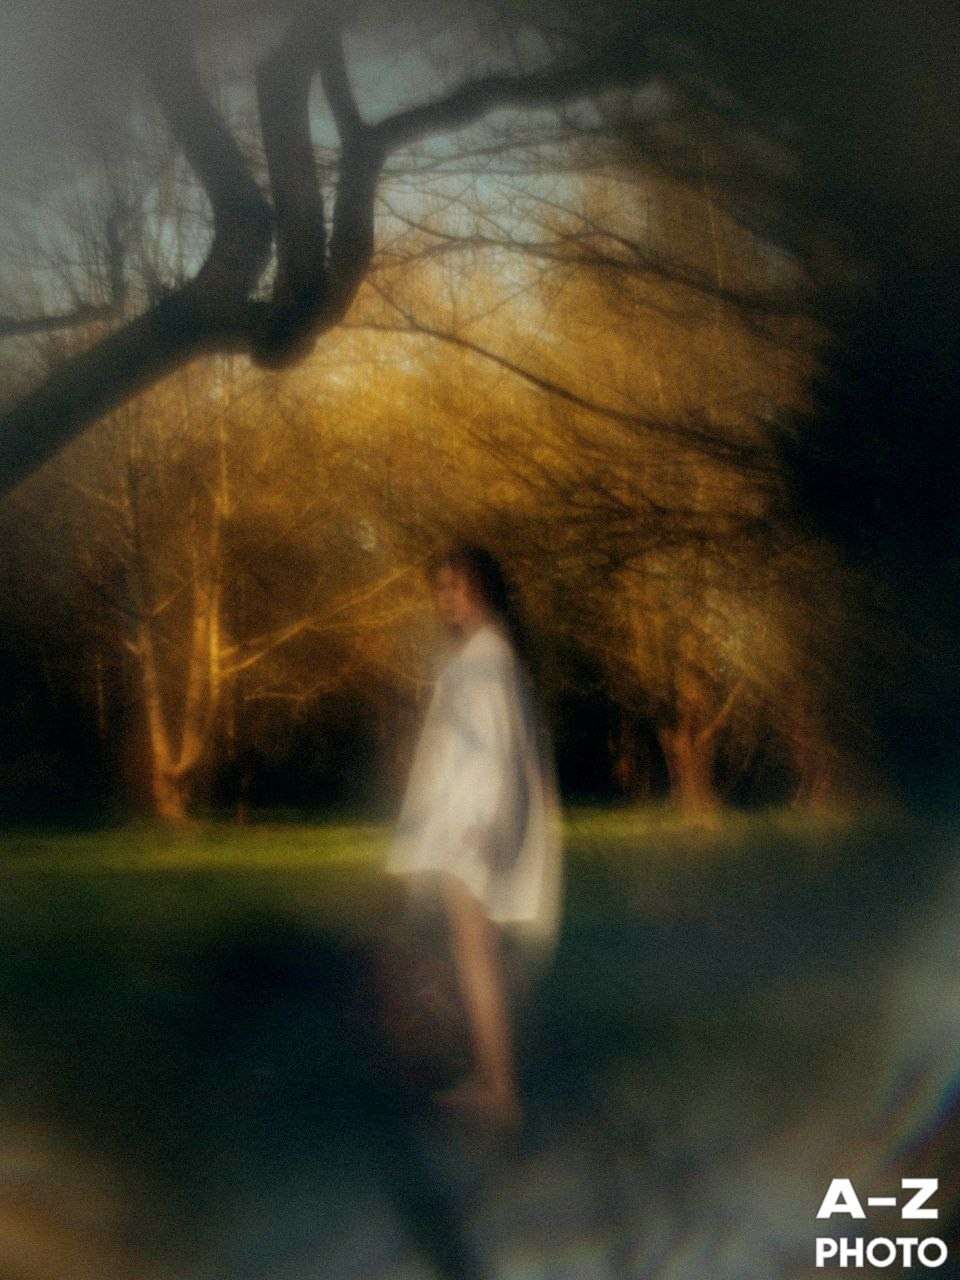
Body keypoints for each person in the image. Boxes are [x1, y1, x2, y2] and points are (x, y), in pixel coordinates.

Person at [387, 544, 562, 1126]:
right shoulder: (481, 655)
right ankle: (493, 1080)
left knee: (477, 958)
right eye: (441, 588)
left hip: (470, 831)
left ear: (482, 588)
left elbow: (495, 752)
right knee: (474, 957)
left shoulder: (488, 658)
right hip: (464, 825)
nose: (448, 599)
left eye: (457, 586)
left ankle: (499, 1091)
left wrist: (478, 826)